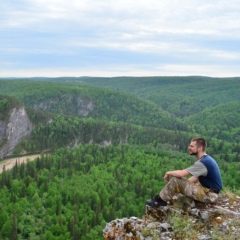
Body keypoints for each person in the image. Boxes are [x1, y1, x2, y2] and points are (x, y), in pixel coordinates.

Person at [146, 137, 223, 208]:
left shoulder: (204, 162)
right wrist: (181, 187)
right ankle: (163, 198)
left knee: (175, 180)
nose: (189, 148)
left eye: (192, 146)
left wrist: (168, 173)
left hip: (209, 195)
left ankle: (159, 201)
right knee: (180, 183)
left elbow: (181, 174)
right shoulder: (206, 160)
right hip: (210, 193)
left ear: (200, 148)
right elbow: (196, 177)